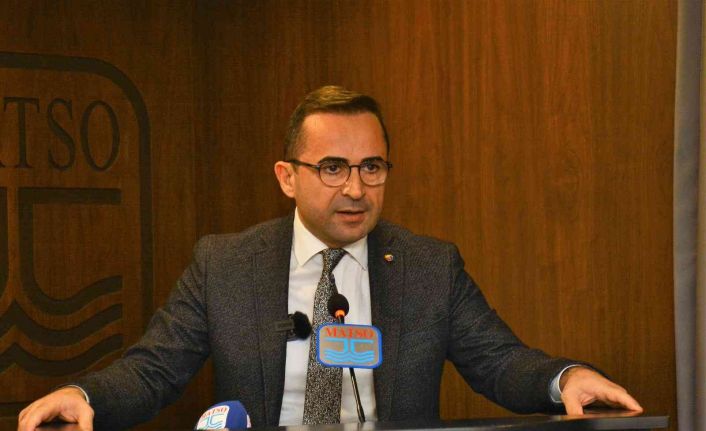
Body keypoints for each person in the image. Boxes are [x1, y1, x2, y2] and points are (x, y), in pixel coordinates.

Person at [17, 86, 642, 431]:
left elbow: (498, 361)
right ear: (287, 177)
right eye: (334, 167)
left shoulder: (429, 267)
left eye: (372, 167)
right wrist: (83, 394)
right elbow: (154, 370)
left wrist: (564, 379)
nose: (356, 188)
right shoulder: (225, 265)